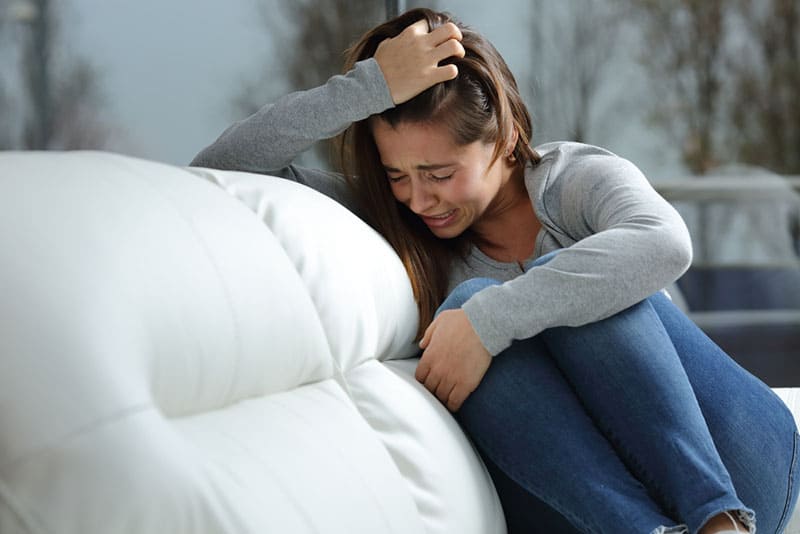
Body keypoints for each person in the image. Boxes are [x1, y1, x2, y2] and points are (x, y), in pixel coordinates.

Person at [192, 8, 799, 534]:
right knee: (470, 309)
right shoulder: (390, 219)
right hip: (605, 514)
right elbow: (220, 168)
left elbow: (665, 243)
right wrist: (366, 89)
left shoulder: (571, 181)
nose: (418, 199)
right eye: (398, 175)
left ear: (505, 138)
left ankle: (718, 521)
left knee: (535, 288)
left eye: (439, 173)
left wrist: (488, 321)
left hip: (737, 468)